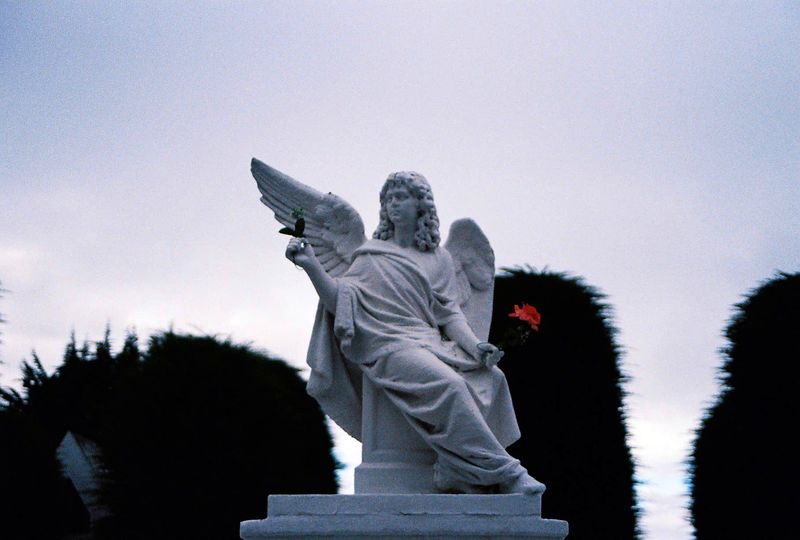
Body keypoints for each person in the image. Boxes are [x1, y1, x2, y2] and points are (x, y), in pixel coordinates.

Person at [286, 171, 544, 495]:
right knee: (450, 385)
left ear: (420, 205)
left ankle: (455, 466)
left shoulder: (439, 259)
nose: (393, 204)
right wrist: (311, 264)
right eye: (388, 198)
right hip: (385, 343)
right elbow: (341, 301)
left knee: (492, 379)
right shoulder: (371, 255)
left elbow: (449, 314)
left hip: (426, 342)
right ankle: (507, 472)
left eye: (401, 197)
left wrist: (477, 346)